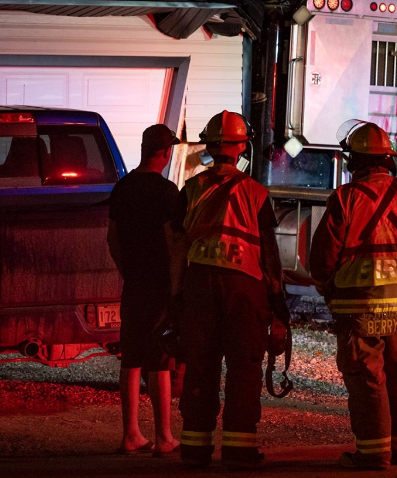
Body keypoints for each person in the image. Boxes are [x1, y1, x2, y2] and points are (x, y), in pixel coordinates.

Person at [309, 120, 397, 470]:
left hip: (358, 308)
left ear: (356, 162)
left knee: (367, 379)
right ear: (386, 159)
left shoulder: (345, 199)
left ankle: (373, 453)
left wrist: (330, 292)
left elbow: (320, 260)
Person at [170, 111, 286, 470]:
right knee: (244, 367)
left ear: (210, 147)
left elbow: (176, 250)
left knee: (201, 365)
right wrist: (278, 305)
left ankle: (194, 448)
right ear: (240, 148)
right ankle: (239, 449)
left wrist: (175, 300)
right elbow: (270, 254)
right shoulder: (256, 193)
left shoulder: (189, 190)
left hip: (199, 285)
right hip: (244, 287)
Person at [106, 124, 181, 457]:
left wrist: (127, 271)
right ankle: (165, 436)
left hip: (133, 284)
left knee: (132, 358)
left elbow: (112, 237)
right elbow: (173, 240)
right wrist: (176, 284)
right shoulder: (167, 192)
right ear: (164, 153)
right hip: (160, 284)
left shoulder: (122, 188)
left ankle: (131, 434)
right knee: (161, 359)